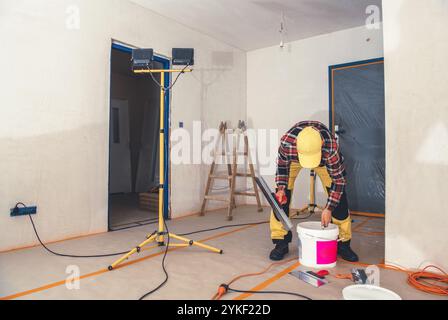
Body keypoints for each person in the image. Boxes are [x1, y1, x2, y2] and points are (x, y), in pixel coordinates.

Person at [270, 121, 359, 262]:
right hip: (294, 160)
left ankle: (343, 244)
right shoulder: (287, 144)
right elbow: (282, 169)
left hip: (323, 162)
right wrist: (281, 188)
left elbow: (339, 181)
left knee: (339, 201)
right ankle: (281, 242)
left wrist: (329, 208)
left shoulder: (330, 148)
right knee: (280, 199)